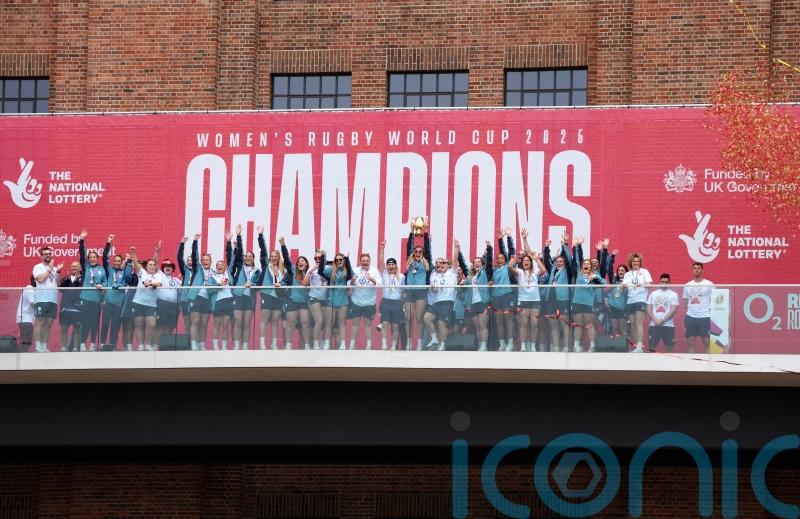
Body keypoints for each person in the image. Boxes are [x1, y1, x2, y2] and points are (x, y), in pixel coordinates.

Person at [422, 244, 460, 350]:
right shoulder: (436, 276)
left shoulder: (452, 273)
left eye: (444, 263)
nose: (442, 264)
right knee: (427, 318)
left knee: (441, 323)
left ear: (449, 266)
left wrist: (456, 248)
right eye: (441, 263)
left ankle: (442, 345)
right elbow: (434, 291)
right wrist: (433, 288)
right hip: (437, 301)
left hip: (447, 301)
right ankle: (434, 339)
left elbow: (455, 259)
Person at [457, 240, 493, 352]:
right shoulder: (470, 276)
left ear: (482, 264)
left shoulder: (485, 272)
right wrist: (458, 249)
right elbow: (462, 264)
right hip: (473, 303)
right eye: (475, 262)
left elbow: (489, 261)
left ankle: (484, 346)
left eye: (479, 262)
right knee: (477, 327)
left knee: (483, 325)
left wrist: (488, 248)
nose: (476, 263)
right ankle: (480, 346)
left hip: (483, 301)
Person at [404, 218, 433, 350]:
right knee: (408, 317)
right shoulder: (410, 262)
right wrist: (411, 232)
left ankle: (420, 342)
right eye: (416, 251)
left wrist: (425, 233)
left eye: (420, 252)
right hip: (409, 291)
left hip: (421, 291)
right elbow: (409, 246)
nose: (418, 253)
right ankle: (409, 342)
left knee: (419, 318)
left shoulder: (425, 262)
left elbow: (427, 249)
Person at [77, 229, 108, 351]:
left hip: (96, 299)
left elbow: (105, 281)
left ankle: (93, 343)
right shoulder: (86, 267)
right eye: (91, 257)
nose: (93, 259)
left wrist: (101, 284)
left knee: (95, 322)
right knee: (85, 321)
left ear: (97, 258)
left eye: (95, 257)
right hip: (85, 297)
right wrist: (82, 240)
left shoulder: (101, 269)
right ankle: (83, 343)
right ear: (88, 259)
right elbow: (81, 253)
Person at [231, 226, 261, 350]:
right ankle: (237, 345)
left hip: (249, 298)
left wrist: (252, 285)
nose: (247, 258)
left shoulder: (257, 270)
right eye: (246, 256)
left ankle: (244, 346)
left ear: (253, 258)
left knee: (246, 323)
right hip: (238, 296)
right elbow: (239, 253)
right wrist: (238, 236)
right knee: (238, 321)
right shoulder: (240, 267)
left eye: (250, 256)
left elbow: (259, 285)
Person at [257, 231, 288, 350]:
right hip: (267, 294)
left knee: (275, 320)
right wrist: (260, 236)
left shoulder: (282, 269)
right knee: (265, 318)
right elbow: (263, 251)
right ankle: (262, 343)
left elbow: (283, 282)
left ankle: (274, 343)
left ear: (279, 258)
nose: (273, 257)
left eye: (276, 256)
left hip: (278, 296)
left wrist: (278, 277)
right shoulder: (266, 265)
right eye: (272, 256)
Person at [281, 237, 312, 350]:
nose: (300, 262)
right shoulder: (293, 270)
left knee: (305, 323)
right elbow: (287, 259)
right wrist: (283, 245)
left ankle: (307, 345)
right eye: (299, 261)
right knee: (290, 323)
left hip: (304, 302)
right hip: (292, 300)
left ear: (306, 263)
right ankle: (288, 345)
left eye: (302, 261)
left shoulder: (310, 273)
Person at [130, 246, 163, 351]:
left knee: (152, 324)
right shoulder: (142, 273)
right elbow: (135, 263)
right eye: (150, 265)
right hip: (138, 302)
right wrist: (133, 253)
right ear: (146, 266)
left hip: (151, 305)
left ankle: (147, 344)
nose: (152, 266)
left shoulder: (158, 275)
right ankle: (140, 345)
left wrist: (151, 283)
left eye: (154, 265)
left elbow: (158, 284)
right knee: (139, 325)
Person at [186, 234, 216, 351]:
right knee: (196, 321)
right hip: (195, 297)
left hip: (207, 299)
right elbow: (194, 256)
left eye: (207, 260)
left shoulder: (214, 272)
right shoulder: (197, 269)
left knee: (204, 324)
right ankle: (194, 344)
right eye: (203, 260)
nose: (205, 261)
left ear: (211, 261)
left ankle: (202, 345)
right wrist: (194, 242)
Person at [518, 229, 546, 352]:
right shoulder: (519, 272)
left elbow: (544, 270)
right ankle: (524, 344)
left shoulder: (535, 271)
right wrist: (511, 265)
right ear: (521, 263)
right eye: (524, 261)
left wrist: (536, 259)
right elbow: (511, 269)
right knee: (524, 323)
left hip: (535, 300)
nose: (526, 262)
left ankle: (533, 345)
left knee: (534, 324)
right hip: (523, 300)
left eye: (528, 261)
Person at [318, 251, 353, 350]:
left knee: (342, 322)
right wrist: (323, 257)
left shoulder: (346, 270)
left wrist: (347, 259)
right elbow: (320, 271)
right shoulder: (330, 270)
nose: (338, 261)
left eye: (340, 259)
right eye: (336, 260)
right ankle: (326, 343)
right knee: (329, 323)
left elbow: (350, 275)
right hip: (331, 301)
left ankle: (343, 344)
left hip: (343, 301)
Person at [31, 246, 63, 353]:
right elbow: (40, 279)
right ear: (41, 256)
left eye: (49, 253)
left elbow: (58, 284)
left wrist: (58, 271)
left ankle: (44, 346)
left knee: (48, 324)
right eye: (45, 254)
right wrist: (50, 269)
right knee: (40, 322)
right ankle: (38, 346)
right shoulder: (38, 267)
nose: (48, 255)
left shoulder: (54, 269)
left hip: (52, 300)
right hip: (41, 299)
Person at [348, 252, 382, 350]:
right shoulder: (355, 270)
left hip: (369, 303)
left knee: (368, 324)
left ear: (370, 261)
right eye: (363, 261)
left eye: (367, 261)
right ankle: (352, 345)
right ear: (360, 261)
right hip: (356, 301)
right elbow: (348, 284)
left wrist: (372, 279)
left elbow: (380, 284)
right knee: (355, 323)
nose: (365, 262)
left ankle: (369, 345)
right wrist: (353, 280)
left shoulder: (374, 270)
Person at [571, 259, 606, 352]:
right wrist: (576, 246)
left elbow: (605, 283)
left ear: (591, 267)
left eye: (588, 264)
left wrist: (595, 277)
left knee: (589, 324)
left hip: (588, 303)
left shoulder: (594, 277)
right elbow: (576, 259)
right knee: (578, 325)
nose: (586, 265)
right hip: (577, 302)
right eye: (584, 264)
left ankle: (592, 346)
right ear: (582, 266)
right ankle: (576, 346)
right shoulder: (579, 274)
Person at [492, 228, 518, 352]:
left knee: (509, 320)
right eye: (498, 258)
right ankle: (502, 343)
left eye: (502, 258)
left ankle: (510, 343)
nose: (500, 259)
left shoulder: (509, 266)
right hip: (497, 297)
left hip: (508, 295)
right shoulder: (494, 269)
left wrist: (506, 238)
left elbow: (511, 251)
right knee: (499, 321)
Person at [209, 232, 236, 350]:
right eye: (217, 265)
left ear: (225, 267)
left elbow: (232, 258)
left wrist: (231, 244)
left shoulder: (228, 273)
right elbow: (209, 291)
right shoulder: (212, 277)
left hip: (229, 300)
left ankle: (224, 346)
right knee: (217, 325)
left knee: (225, 325)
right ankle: (215, 346)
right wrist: (217, 285)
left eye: (222, 264)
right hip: (218, 302)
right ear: (216, 267)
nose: (220, 266)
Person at [622, 252, 653, 353]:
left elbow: (649, 285)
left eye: (637, 261)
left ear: (640, 262)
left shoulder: (644, 272)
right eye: (634, 261)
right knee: (633, 324)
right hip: (630, 301)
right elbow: (624, 286)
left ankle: (640, 346)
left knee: (639, 323)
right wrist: (625, 286)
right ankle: (637, 347)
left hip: (640, 300)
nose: (636, 263)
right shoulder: (627, 274)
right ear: (631, 262)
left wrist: (642, 284)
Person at [378, 241, 405, 350]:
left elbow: (403, 292)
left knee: (395, 326)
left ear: (396, 265)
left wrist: (402, 305)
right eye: (388, 264)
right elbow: (380, 262)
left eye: (392, 264)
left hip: (397, 303)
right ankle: (384, 344)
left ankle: (394, 345)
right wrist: (382, 248)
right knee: (384, 324)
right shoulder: (384, 274)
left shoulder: (401, 276)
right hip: (386, 301)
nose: (390, 266)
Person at [101, 235, 127, 350]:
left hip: (119, 303)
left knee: (115, 325)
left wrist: (118, 285)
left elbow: (126, 284)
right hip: (108, 301)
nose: (116, 262)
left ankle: (112, 344)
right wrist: (108, 243)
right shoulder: (109, 270)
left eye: (118, 261)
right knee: (105, 323)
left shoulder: (125, 273)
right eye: (115, 261)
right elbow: (104, 258)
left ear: (122, 262)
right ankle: (102, 343)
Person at [683, 262, 713, 353]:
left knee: (706, 342)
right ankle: (692, 365)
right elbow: (686, 302)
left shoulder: (709, 284)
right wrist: (691, 312)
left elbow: (714, 300)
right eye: (695, 268)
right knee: (690, 342)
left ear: (702, 270)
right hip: (691, 317)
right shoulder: (687, 285)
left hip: (705, 317)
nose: (697, 270)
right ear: (692, 270)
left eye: (699, 268)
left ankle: (708, 366)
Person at [305, 249, 332, 350]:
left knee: (327, 322)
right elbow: (304, 283)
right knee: (319, 320)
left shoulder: (329, 268)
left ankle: (325, 344)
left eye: (319, 258)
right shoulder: (312, 269)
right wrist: (310, 272)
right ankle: (315, 344)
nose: (317, 259)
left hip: (326, 298)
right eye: (315, 258)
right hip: (314, 296)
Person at [647, 273, 680, 352]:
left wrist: (662, 320)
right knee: (651, 348)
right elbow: (649, 309)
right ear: (660, 282)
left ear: (669, 283)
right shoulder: (653, 294)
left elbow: (673, 310)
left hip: (668, 325)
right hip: (654, 325)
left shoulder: (673, 294)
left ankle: (668, 364)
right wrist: (655, 320)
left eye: (666, 282)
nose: (664, 283)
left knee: (669, 348)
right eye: (662, 281)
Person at [156, 257, 182, 348]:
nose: (168, 268)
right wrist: (157, 253)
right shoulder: (160, 276)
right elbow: (155, 262)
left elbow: (182, 291)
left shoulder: (177, 280)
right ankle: (156, 346)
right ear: (162, 268)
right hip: (162, 304)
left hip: (174, 306)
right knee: (159, 326)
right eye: (166, 266)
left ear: (173, 269)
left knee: (169, 327)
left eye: (170, 266)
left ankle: (165, 346)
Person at [58, 262, 83, 352]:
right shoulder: (66, 278)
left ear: (80, 268)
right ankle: (63, 348)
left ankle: (75, 348)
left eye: (75, 266)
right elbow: (59, 288)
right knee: (64, 328)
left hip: (77, 307)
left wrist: (77, 278)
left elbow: (80, 288)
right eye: (71, 266)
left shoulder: (83, 279)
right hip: (65, 307)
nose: (73, 268)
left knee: (76, 329)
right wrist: (58, 272)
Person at [15, 277, 35, 352]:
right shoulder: (29, 288)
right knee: (26, 340)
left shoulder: (33, 290)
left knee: (27, 340)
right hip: (25, 318)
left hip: (26, 319)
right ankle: (22, 355)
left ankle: (23, 354)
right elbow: (33, 303)